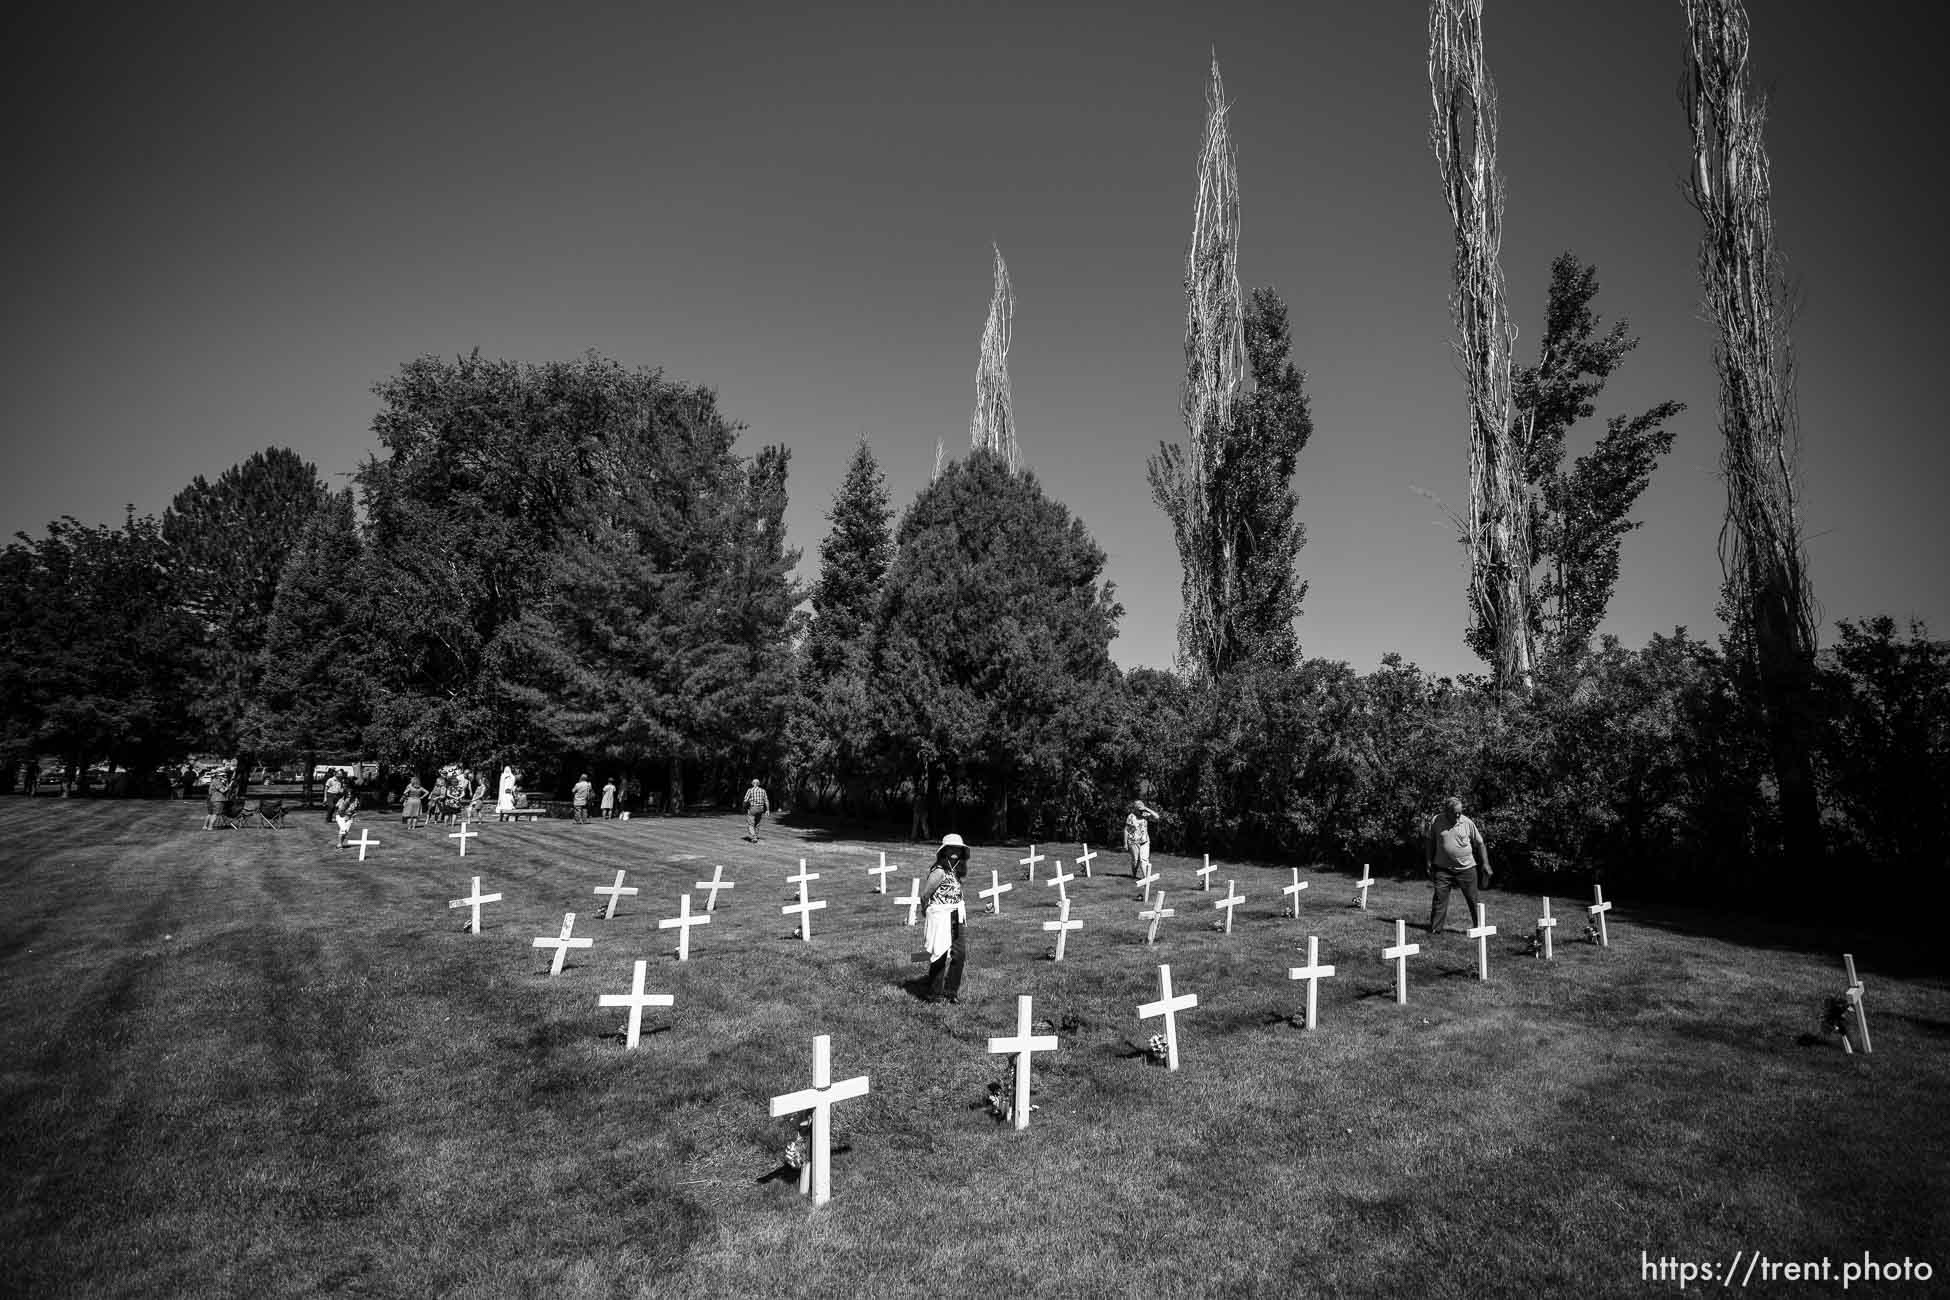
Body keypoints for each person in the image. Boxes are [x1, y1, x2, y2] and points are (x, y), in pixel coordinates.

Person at [1425, 796, 1492, 935]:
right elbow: (1430, 841)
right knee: (1439, 899)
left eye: (1460, 812)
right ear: (1446, 811)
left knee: (1473, 899)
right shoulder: (1436, 821)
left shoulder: (1467, 822)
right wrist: (1428, 861)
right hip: (1442, 869)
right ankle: (1435, 930)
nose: (1458, 815)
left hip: (1467, 868)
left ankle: (1479, 929)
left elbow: (1480, 843)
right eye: (1455, 812)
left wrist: (1485, 864)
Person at [921, 833, 971, 1003]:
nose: (955, 851)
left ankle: (951, 992)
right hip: (940, 917)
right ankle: (934, 994)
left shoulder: (956, 870)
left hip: (956, 916)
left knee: (959, 954)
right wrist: (925, 911)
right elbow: (925, 895)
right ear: (945, 851)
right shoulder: (939, 872)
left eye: (958, 848)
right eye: (951, 848)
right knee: (939, 953)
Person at [1123, 800, 1159, 878]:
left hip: (1144, 841)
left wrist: (1147, 808)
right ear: (1135, 809)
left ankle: (1146, 878)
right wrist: (1125, 843)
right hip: (1133, 842)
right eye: (1139, 809)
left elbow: (1157, 817)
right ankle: (1134, 875)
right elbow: (1126, 830)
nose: (1140, 811)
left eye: (1141, 809)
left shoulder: (1145, 814)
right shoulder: (1131, 816)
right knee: (1135, 860)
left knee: (1144, 860)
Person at [742, 778, 770, 842]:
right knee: (757, 823)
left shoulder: (750, 790)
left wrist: (743, 807)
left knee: (751, 824)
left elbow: (745, 800)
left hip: (753, 808)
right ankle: (756, 836)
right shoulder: (763, 790)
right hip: (761, 809)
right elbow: (766, 801)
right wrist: (767, 810)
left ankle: (754, 837)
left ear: (752, 783)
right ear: (759, 784)